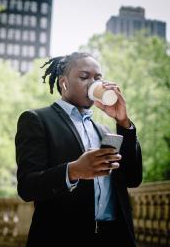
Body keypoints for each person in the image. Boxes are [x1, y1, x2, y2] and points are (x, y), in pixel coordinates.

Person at [15, 52, 142, 247]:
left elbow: (132, 178)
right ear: (64, 83)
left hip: (114, 238)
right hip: (64, 238)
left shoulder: (104, 130)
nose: (93, 83)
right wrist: (73, 170)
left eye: (97, 78)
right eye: (84, 77)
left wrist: (123, 122)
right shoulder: (36, 120)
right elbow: (27, 186)